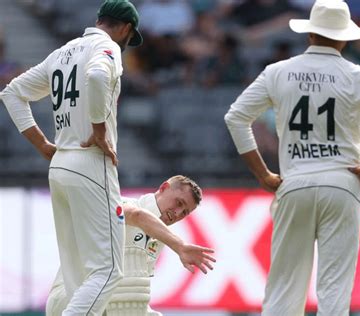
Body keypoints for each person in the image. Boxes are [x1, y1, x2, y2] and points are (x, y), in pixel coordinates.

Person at [224, 1, 360, 315]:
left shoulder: (278, 72)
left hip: (294, 182)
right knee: (334, 290)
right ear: (344, 39)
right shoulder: (359, 75)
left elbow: (236, 118)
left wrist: (263, 175)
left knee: (284, 287)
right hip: (343, 184)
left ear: (310, 35)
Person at [0, 1, 146, 314]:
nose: (126, 44)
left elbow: (12, 93)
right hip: (90, 162)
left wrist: (41, 144)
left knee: (77, 276)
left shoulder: (61, 53)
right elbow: (95, 77)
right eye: (128, 37)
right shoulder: (107, 49)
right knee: (107, 271)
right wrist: (98, 129)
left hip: (61, 164)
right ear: (124, 28)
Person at [46, 175, 216, 316]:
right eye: (178, 203)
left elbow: (132, 297)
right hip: (70, 297)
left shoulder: (159, 240)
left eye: (185, 212)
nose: (177, 213)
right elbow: (136, 216)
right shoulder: (123, 203)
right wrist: (179, 245)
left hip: (106, 305)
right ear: (163, 188)